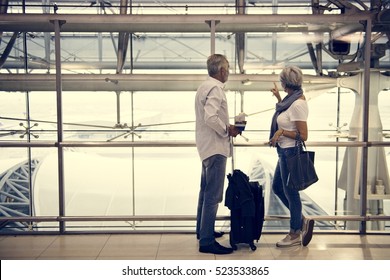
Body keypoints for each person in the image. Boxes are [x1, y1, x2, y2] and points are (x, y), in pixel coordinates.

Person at [195, 54, 241, 254]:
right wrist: (226, 130)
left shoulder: (203, 87)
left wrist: (224, 126)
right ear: (222, 70)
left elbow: (208, 117)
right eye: (228, 68)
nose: (228, 71)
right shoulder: (215, 89)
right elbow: (210, 117)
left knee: (205, 193)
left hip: (205, 147)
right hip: (215, 148)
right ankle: (206, 241)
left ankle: (203, 230)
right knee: (213, 195)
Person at [269, 65, 314, 247]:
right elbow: (285, 114)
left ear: (285, 82)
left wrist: (281, 132)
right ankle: (301, 220)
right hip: (283, 152)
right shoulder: (290, 100)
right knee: (278, 188)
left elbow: (303, 136)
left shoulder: (298, 104)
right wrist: (279, 98)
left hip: (290, 153)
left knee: (291, 193)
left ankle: (295, 233)